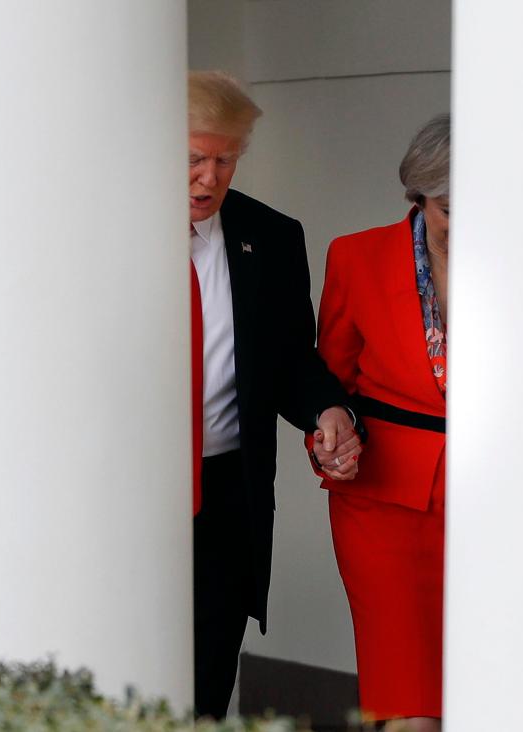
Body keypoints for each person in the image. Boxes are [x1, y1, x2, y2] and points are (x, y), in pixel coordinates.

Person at [187, 70, 363, 719]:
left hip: (227, 498)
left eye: (223, 161)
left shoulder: (272, 237)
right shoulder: (100, 237)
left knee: (205, 691)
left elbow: (290, 360)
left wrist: (330, 410)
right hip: (124, 498)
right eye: (192, 159)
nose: (208, 178)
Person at [310, 114, 450, 732]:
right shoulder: (357, 256)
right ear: (417, 197)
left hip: (504, 504)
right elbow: (328, 385)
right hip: (386, 504)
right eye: (449, 206)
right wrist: (329, 439)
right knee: (408, 701)